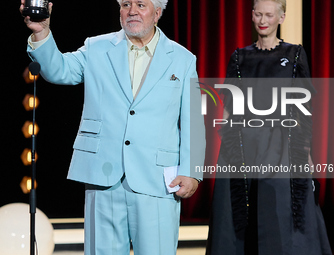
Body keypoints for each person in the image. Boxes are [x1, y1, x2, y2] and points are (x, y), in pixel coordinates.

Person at [20, 0, 205, 254]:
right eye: (126, 4)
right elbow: (59, 71)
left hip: (158, 180)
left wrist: (192, 172)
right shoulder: (96, 47)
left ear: (158, 12)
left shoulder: (182, 59)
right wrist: (41, 32)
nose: (132, 11)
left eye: (141, 4)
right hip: (103, 177)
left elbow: (193, 119)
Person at [206, 0, 332, 254]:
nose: (263, 20)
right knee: (235, 218)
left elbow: (302, 108)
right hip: (242, 145)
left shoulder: (295, 55)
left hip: (282, 146)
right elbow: (230, 107)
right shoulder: (239, 57)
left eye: (270, 15)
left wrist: (304, 152)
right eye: (259, 14)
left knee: (281, 215)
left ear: (281, 18)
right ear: (252, 16)